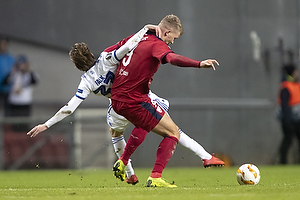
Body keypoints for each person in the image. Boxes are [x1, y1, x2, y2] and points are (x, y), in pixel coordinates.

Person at [27, 24, 224, 185]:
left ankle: (130, 173)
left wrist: (46, 124)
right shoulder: (105, 58)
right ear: (90, 53)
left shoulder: (85, 81)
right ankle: (203, 156)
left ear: (77, 65)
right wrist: (145, 28)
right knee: (170, 128)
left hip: (116, 106)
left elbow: (69, 108)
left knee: (116, 134)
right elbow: (128, 46)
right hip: (136, 96)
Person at [111, 14, 220, 187]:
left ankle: (123, 161)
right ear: (167, 32)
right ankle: (155, 177)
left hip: (116, 98)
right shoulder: (157, 44)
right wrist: (199, 64)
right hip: (134, 100)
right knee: (173, 132)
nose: (172, 42)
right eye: (173, 38)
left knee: (144, 124)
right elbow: (172, 59)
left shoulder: (140, 36)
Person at [2, 55, 39, 131]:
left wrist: (27, 70)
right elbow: (4, 82)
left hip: (25, 102)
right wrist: (13, 71)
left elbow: (34, 81)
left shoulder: (30, 74)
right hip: (14, 102)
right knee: (14, 123)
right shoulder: (14, 74)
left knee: (24, 123)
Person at [277, 64, 300, 164]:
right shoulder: (286, 86)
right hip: (289, 120)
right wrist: (287, 120)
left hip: (298, 119)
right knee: (287, 141)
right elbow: (285, 106)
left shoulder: (296, 85)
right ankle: (282, 162)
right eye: (295, 72)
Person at [0, 35, 15, 117]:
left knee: (7, 111)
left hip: (9, 90)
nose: (3, 46)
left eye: (5, 44)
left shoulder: (11, 59)